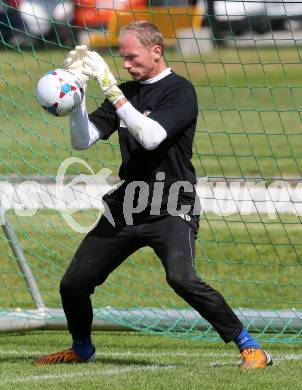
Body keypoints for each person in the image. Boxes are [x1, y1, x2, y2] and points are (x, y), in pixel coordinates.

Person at [33, 21, 272, 368]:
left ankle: (248, 345)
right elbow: (82, 140)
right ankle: (81, 348)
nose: (126, 64)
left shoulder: (180, 91)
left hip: (173, 204)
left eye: (132, 57)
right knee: (73, 284)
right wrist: (78, 98)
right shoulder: (128, 91)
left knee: (182, 278)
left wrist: (113, 89)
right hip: (128, 206)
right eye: (122, 58)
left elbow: (151, 137)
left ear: (156, 51)